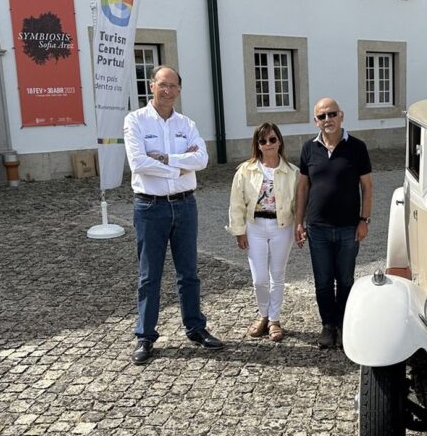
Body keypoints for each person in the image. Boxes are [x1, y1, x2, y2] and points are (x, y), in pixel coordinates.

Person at [123, 65, 223, 365]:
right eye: (162, 85)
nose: (167, 90)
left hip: (184, 204)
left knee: (189, 273)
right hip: (150, 207)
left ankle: (195, 328)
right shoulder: (135, 121)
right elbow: (139, 163)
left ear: (179, 89)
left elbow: (202, 160)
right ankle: (145, 335)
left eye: (173, 86)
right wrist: (182, 164)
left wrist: (167, 158)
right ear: (151, 86)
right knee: (149, 275)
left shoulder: (186, 123)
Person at [295, 98, 373, 349]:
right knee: (323, 280)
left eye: (331, 114)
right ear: (315, 121)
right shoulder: (308, 149)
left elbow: (367, 187)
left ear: (341, 115)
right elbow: (303, 187)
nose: (327, 120)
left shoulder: (357, 147)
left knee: (346, 279)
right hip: (317, 228)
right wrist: (299, 222)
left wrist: (364, 220)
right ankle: (328, 325)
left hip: (349, 227)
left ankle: (344, 324)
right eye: (321, 116)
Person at [227, 122, 299, 342]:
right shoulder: (246, 170)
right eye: (263, 140)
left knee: (277, 275)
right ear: (257, 145)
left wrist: (299, 227)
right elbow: (236, 202)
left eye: (272, 139)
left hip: (282, 227)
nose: (268, 144)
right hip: (255, 226)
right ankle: (263, 315)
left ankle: (274, 320)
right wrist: (239, 230)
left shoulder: (292, 172)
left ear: (279, 142)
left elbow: (298, 204)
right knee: (259, 279)